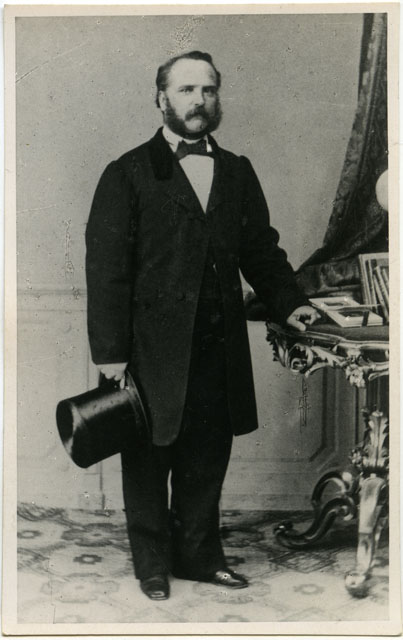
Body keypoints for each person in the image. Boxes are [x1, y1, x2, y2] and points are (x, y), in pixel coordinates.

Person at [85, 50, 320, 601]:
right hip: (147, 352)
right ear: (161, 98)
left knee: (207, 456)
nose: (199, 101)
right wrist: (111, 352)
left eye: (208, 90)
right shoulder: (126, 172)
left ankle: (199, 557)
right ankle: (151, 565)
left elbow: (260, 250)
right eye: (186, 90)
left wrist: (290, 304)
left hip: (218, 347)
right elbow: (106, 268)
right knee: (149, 458)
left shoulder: (237, 170)